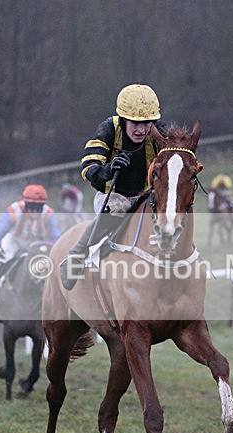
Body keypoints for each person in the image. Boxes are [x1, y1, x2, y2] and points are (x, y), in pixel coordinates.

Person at [59, 83, 165, 290]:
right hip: (112, 196)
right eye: (135, 123)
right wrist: (108, 169)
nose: (142, 130)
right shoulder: (109, 128)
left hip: (146, 195)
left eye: (147, 123)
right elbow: (88, 167)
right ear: (124, 119)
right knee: (118, 207)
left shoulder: (158, 131)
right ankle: (76, 256)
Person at [0, 184, 61, 302]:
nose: (34, 210)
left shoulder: (49, 213)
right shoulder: (14, 210)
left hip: (35, 243)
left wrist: (51, 245)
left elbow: (56, 236)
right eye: (31, 206)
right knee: (5, 258)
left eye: (38, 206)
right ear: (25, 203)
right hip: (14, 240)